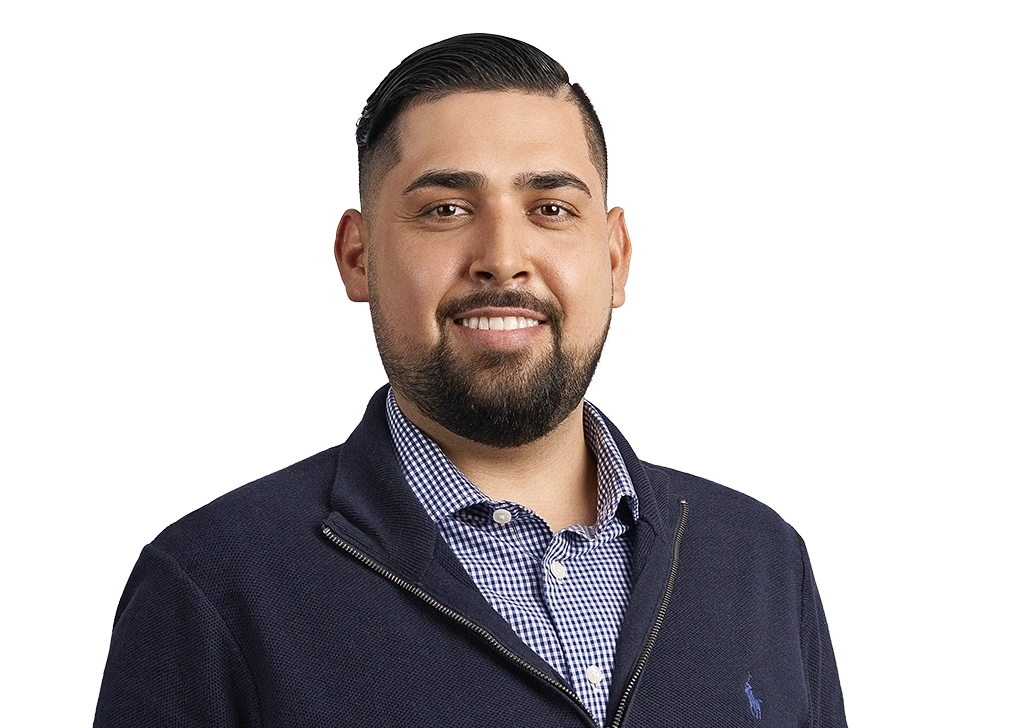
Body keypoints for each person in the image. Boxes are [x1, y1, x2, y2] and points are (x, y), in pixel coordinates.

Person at [93, 32, 848, 727]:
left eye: (551, 208)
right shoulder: (213, 586)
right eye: (446, 209)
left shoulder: (760, 562)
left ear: (616, 257)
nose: (503, 258)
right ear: (357, 255)